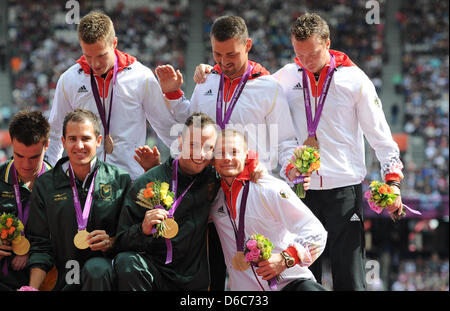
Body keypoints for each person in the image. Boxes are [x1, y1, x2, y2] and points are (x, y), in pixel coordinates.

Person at [196, 12, 405, 291]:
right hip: (298, 190)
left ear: (327, 43)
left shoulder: (355, 80)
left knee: (351, 278)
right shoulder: (284, 76)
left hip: (343, 189)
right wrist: (211, 70)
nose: (305, 62)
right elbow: (247, 83)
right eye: (299, 54)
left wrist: (392, 181)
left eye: (313, 54)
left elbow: (380, 135)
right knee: (304, 277)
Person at [155, 15, 299, 290]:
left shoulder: (269, 87)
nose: (223, 61)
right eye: (217, 54)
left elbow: (284, 141)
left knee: (256, 269)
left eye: (231, 54)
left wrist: (285, 172)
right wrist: (174, 95)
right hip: (207, 188)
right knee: (209, 273)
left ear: (248, 45)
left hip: (249, 191)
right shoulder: (206, 81)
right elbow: (192, 123)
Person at [45, 10, 178, 181]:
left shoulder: (141, 76)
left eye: (101, 55)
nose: (95, 63)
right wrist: (46, 174)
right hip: (85, 183)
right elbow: (55, 132)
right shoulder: (69, 80)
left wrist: (187, 167)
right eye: (88, 56)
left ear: (114, 43)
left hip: (130, 181)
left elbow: (165, 126)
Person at [25, 109, 131, 291]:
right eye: (72, 139)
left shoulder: (119, 180)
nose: (79, 145)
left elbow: (130, 235)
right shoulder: (46, 184)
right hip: (64, 276)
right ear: (63, 142)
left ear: (98, 141)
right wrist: (31, 288)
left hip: (105, 275)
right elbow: (40, 243)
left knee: (96, 269)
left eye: (86, 138)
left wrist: (111, 242)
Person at [113, 112, 220, 290]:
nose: (201, 154)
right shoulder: (148, 182)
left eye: (208, 147)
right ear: (180, 142)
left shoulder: (213, 179)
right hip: (155, 275)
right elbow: (120, 241)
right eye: (193, 145)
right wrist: (142, 230)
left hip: (192, 281)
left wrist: (256, 171)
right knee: (126, 262)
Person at [211, 129, 327, 291]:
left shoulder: (268, 188)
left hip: (291, 284)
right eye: (220, 153)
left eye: (234, 151)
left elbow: (316, 232)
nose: (227, 158)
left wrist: (285, 258)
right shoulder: (214, 201)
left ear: (246, 155)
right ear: (212, 160)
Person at [0, 111, 52, 291]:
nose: (26, 165)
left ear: (47, 145)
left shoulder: (59, 184)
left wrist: (29, 251)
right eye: (19, 156)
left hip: (47, 272)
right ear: (12, 143)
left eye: (34, 157)